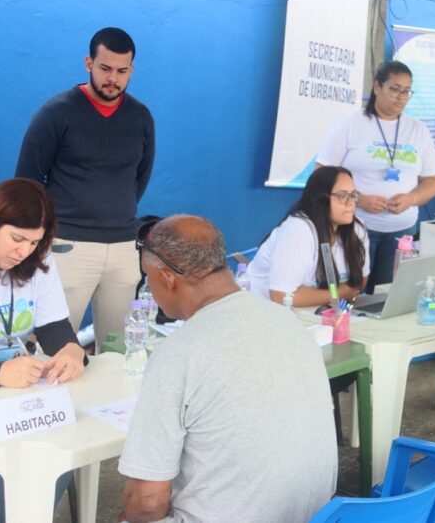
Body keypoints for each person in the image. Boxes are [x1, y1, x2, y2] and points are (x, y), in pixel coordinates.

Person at [117, 215, 337, 523]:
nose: (148, 287)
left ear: (168, 277)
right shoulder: (287, 321)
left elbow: (148, 501)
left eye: (147, 278)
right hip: (314, 515)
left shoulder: (178, 353)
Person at [15, 27, 155, 348]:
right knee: (50, 350)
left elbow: (139, 178)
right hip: (67, 247)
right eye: (105, 68)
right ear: (88, 63)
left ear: (131, 70)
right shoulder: (56, 113)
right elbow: (27, 183)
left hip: (123, 249)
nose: (113, 78)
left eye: (122, 71)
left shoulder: (141, 117)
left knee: (118, 349)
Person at [0, 178, 87, 522]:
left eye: (34, 242)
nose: (24, 252)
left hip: (15, 393)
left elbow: (53, 327)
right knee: (12, 502)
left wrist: (72, 351)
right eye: (17, 239)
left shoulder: (37, 260)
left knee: (50, 467)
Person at [315, 60, 435, 294]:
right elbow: (321, 174)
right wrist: (357, 199)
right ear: (377, 87)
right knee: (351, 294)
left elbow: (432, 181)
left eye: (406, 91)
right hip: (356, 228)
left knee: (386, 297)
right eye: (395, 89)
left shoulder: (418, 130)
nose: (401, 96)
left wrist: (411, 199)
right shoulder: (350, 124)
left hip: (401, 232)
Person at [248, 166, 369, 307]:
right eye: (342, 196)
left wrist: (339, 293)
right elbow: (281, 296)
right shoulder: (298, 230)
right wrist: (339, 293)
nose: (350, 203)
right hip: (264, 312)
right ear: (320, 198)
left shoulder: (357, 228)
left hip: (316, 315)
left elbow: (360, 281)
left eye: (353, 195)